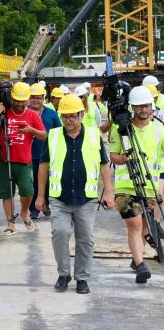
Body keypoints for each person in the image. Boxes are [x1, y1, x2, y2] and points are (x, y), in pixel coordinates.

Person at [36, 94, 114, 294]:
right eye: (65, 116)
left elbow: (104, 165)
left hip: (86, 198)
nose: (69, 120)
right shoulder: (53, 136)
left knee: (85, 238)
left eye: (72, 116)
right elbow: (43, 166)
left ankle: (82, 278)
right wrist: (41, 195)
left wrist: (108, 193)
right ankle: (64, 274)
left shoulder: (94, 135)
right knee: (60, 233)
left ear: (81, 114)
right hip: (59, 197)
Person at [107, 85, 164, 284]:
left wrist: (161, 188)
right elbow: (112, 155)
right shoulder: (121, 129)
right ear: (132, 107)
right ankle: (141, 266)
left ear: (152, 106)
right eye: (139, 106)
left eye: (147, 106)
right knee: (135, 224)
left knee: (145, 229)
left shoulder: (159, 129)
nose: (144, 110)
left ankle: (135, 258)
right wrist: (122, 159)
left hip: (150, 186)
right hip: (126, 187)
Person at [0, 82, 47, 235]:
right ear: (11, 97)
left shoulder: (32, 114)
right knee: (7, 193)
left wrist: (30, 130)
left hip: (24, 161)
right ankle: (10, 223)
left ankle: (25, 212)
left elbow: (43, 135)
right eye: (16, 100)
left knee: (27, 190)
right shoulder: (3, 113)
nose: (19, 104)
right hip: (3, 160)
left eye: (22, 100)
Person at [29, 82, 62, 220]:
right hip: (29, 154)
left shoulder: (51, 114)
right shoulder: (25, 113)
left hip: (48, 154)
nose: (36, 100)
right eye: (33, 97)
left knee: (47, 181)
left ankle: (46, 205)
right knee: (32, 183)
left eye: (39, 97)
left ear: (44, 98)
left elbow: (60, 131)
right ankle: (33, 209)